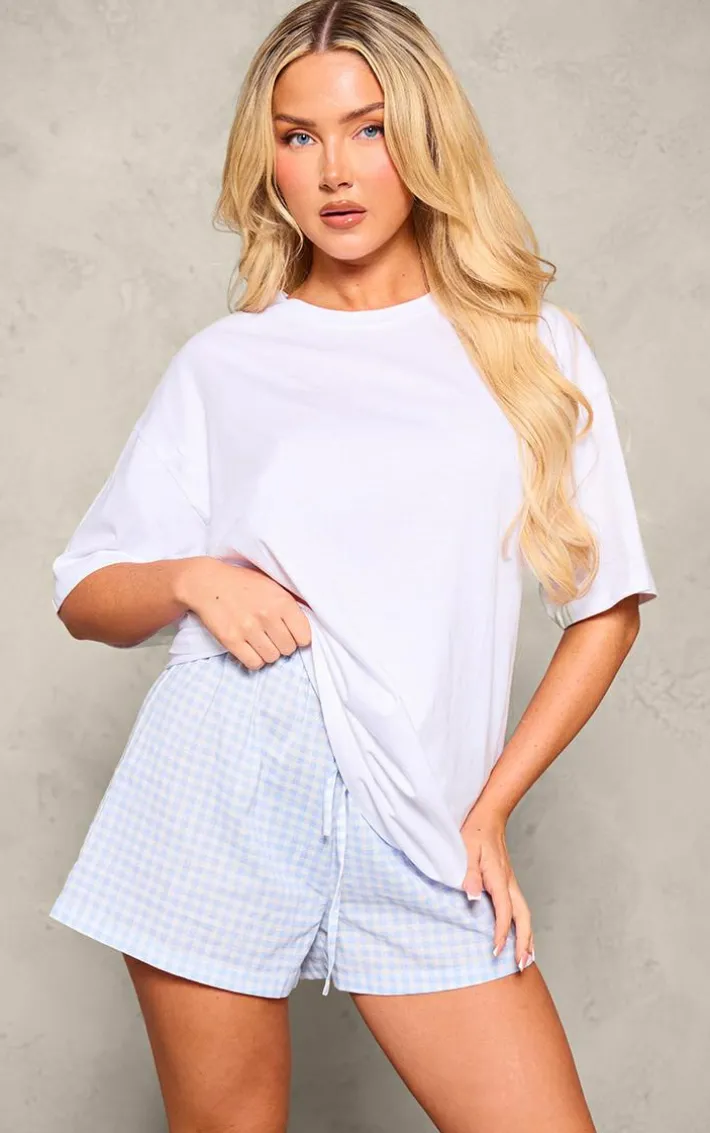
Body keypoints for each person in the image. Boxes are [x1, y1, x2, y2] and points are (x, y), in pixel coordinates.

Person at [48, 1, 658, 1130]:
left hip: (422, 819)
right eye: (298, 136)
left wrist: (489, 810)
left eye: (367, 128)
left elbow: (606, 609)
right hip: (219, 789)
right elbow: (85, 594)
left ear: (423, 136)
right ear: (268, 158)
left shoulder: (530, 348)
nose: (333, 170)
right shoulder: (229, 362)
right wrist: (192, 578)